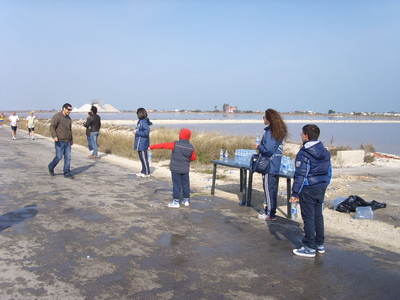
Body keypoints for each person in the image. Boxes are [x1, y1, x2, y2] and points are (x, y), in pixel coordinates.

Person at [290, 124, 332, 258]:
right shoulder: (324, 151)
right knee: (318, 215)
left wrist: (295, 193)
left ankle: (309, 247)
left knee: (308, 217)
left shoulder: (304, 153)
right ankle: (320, 244)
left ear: (306, 136)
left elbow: (301, 174)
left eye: (302, 134)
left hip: (308, 187)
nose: (301, 136)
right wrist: (325, 183)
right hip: (321, 186)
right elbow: (329, 171)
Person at [150, 128, 197, 208]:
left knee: (176, 185)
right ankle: (186, 200)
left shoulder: (175, 144)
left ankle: (176, 202)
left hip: (175, 169)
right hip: (185, 169)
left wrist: (151, 147)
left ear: (180, 136)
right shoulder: (191, 147)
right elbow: (193, 158)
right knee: (186, 185)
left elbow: (163, 145)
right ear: (189, 137)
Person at [256, 108, 288, 221]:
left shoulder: (271, 132)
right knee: (272, 189)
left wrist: (258, 146)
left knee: (269, 189)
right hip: (274, 164)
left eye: (264, 117)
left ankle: (269, 214)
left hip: (269, 165)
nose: (263, 119)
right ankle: (271, 211)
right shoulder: (278, 131)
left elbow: (268, 149)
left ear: (269, 119)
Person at [48, 103, 74, 179]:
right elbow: (52, 127)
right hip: (60, 140)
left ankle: (67, 173)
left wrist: (71, 139)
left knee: (68, 157)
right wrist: (55, 136)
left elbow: (69, 130)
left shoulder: (69, 118)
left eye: (70, 110)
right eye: (68, 109)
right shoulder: (57, 117)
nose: (70, 111)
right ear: (64, 109)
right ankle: (51, 166)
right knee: (59, 156)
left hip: (67, 141)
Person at [133, 108, 152, 177]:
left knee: (144, 158)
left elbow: (146, 132)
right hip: (139, 142)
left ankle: (147, 172)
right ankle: (143, 171)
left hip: (142, 143)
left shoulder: (143, 122)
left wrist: (137, 132)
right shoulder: (140, 121)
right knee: (141, 158)